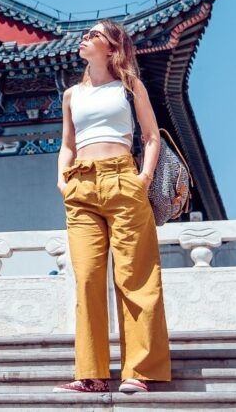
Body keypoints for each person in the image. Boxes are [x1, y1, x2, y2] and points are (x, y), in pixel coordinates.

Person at [52, 19, 172, 394]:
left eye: (94, 34)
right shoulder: (72, 94)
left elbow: (151, 137)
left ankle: (140, 370)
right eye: (85, 34)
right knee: (87, 277)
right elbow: (68, 143)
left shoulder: (129, 86)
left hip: (123, 178)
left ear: (112, 47)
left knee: (134, 276)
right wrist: (63, 178)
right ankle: (91, 373)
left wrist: (144, 179)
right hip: (81, 185)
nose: (85, 38)